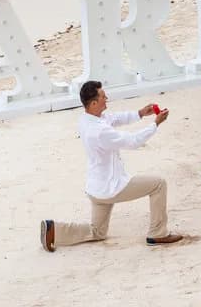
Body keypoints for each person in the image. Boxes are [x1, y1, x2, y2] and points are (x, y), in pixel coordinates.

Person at [40, 80, 183, 251]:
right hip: (111, 187)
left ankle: (54, 230)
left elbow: (113, 118)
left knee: (97, 232)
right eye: (102, 96)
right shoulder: (99, 131)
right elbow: (132, 141)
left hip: (96, 188)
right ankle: (158, 233)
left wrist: (140, 113)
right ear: (93, 103)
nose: (106, 98)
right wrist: (155, 124)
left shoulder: (87, 118)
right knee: (158, 184)